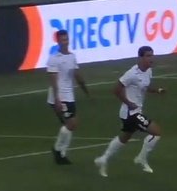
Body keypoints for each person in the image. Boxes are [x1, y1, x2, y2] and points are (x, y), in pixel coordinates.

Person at [94, 46, 166, 177]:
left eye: (152, 55)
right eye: (148, 56)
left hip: (134, 111)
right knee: (156, 132)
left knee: (124, 138)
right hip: (131, 113)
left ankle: (103, 159)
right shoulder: (132, 74)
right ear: (141, 57)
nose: (151, 58)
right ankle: (141, 159)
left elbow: (145, 86)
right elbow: (116, 90)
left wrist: (157, 90)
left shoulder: (148, 71)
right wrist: (129, 103)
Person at [46, 29, 89, 165]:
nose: (65, 42)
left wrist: (85, 90)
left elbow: (77, 75)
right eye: (63, 40)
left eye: (67, 39)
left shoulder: (72, 56)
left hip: (69, 96)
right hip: (59, 97)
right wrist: (57, 98)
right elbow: (53, 80)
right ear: (58, 41)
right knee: (71, 123)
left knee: (70, 125)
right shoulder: (54, 58)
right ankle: (58, 150)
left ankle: (61, 153)